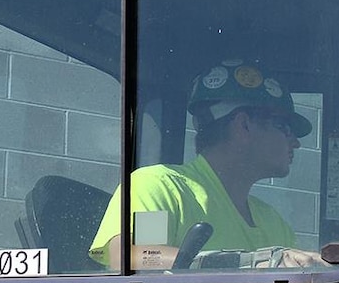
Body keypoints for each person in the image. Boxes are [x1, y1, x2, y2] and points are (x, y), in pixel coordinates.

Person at [90, 60, 317, 270]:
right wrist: (246, 263)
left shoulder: (272, 222)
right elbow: (137, 256)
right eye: (284, 127)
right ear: (244, 125)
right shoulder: (162, 188)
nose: (295, 142)